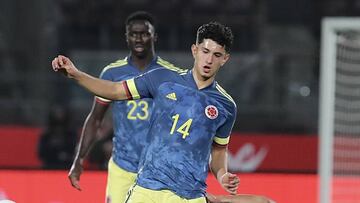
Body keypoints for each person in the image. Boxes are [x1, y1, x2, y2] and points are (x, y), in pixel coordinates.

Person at [52, 22, 274, 203]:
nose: (209, 59)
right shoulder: (162, 79)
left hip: (188, 196)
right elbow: (113, 90)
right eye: (205, 51)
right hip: (146, 190)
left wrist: (222, 175)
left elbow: (218, 152)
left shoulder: (226, 106)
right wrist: (76, 74)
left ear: (225, 59)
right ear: (194, 50)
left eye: (217, 55)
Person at [67, 11, 184, 203]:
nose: (138, 38)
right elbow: (95, 118)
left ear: (154, 36)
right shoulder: (112, 73)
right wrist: (79, 159)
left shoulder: (170, 74)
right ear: (126, 37)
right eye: (133, 33)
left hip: (158, 169)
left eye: (144, 33)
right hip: (123, 167)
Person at [38, 104, 77, 169]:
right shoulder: (46, 135)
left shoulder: (71, 134)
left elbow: (75, 150)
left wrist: (65, 154)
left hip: (67, 166)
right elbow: (41, 153)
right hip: (49, 165)